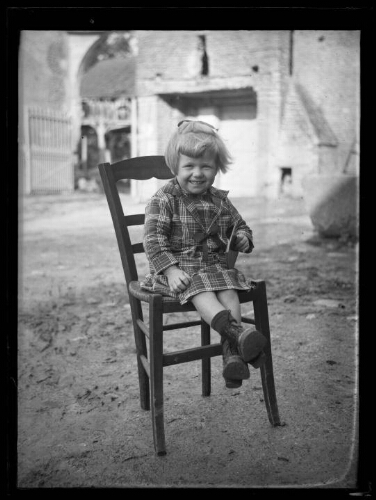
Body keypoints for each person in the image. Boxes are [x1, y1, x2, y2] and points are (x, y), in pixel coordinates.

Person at [140, 119, 266, 388]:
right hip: (177, 274)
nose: (197, 173)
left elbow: (240, 226)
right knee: (201, 288)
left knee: (228, 289)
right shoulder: (164, 199)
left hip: (213, 270)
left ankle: (233, 357)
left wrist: (243, 238)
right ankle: (237, 334)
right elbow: (152, 241)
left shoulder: (219, 200)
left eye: (206, 166)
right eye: (189, 166)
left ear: (216, 168)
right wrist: (171, 270)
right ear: (175, 166)